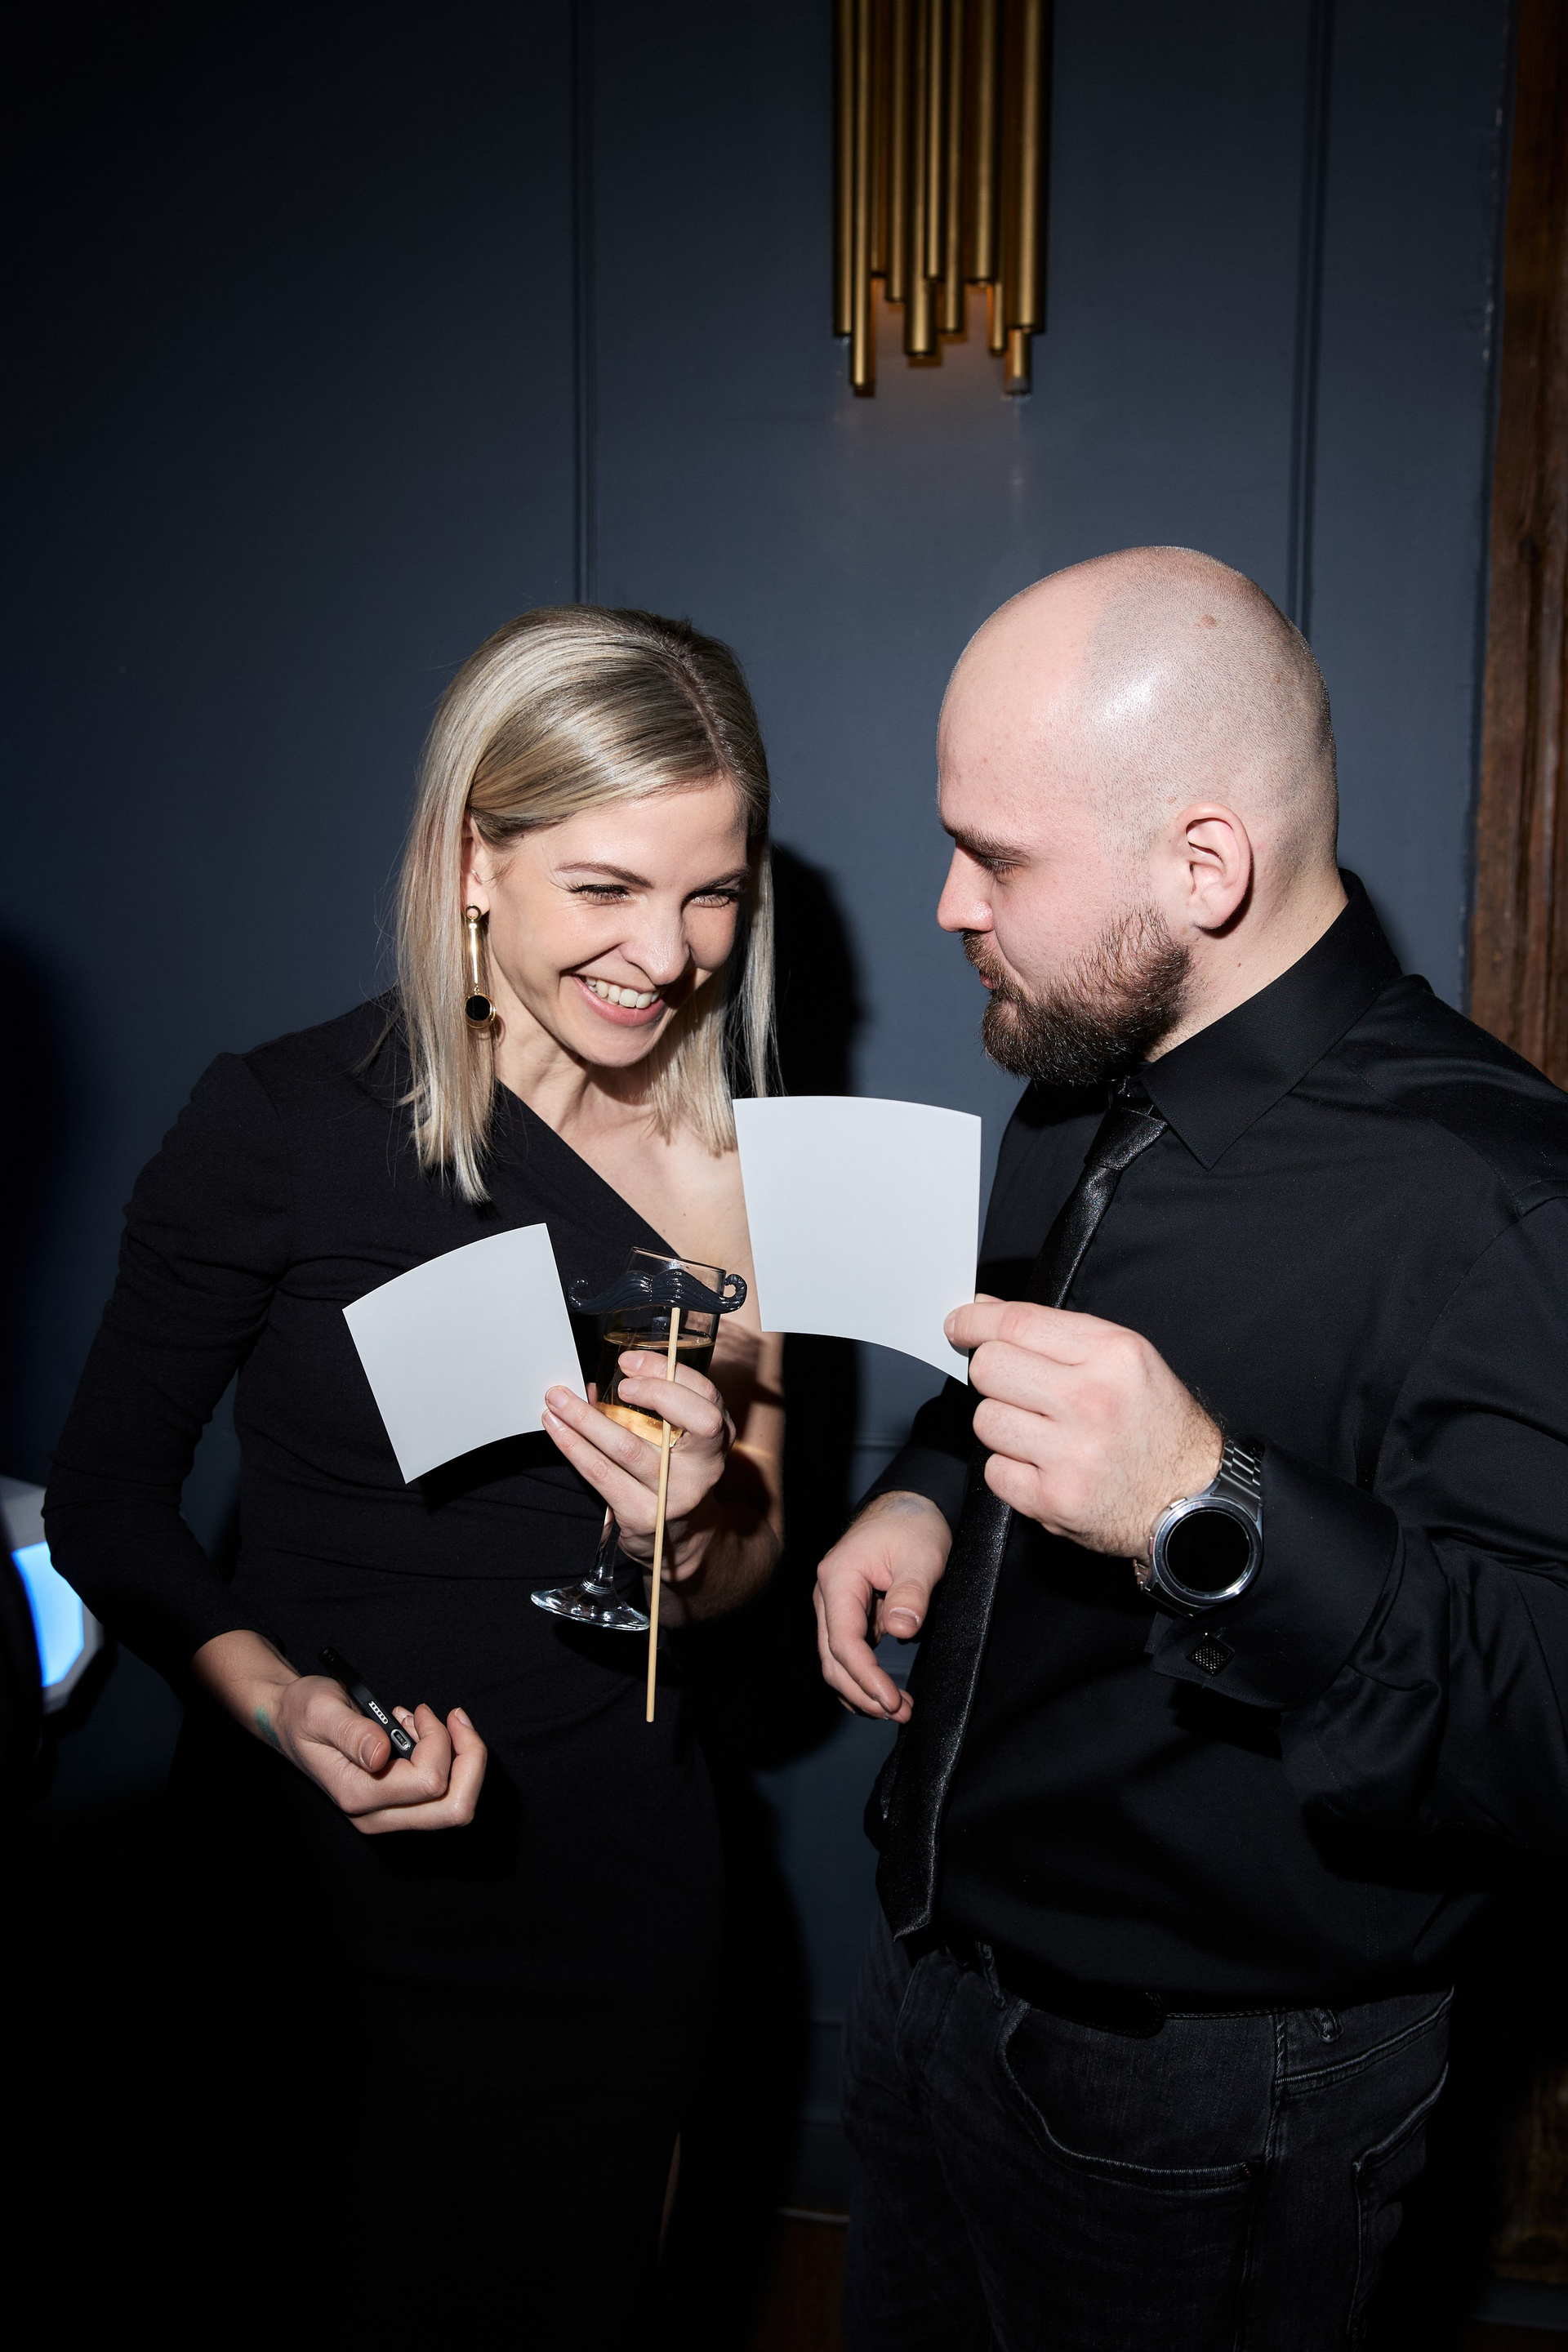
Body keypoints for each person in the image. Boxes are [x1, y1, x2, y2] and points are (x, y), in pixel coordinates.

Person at [814, 547, 1568, 2351]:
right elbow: (1007, 1369)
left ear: (1204, 865)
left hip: (1215, 2095)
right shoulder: (1080, 1069)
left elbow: (1545, 1729)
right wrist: (928, 1488)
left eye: (996, 857)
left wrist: (1200, 1502)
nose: (946, 902)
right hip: (929, 1980)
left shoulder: (1509, 1200)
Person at [45, 606, 785, 2344]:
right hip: (317, 1858)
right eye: (605, 888)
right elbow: (105, 1498)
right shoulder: (279, 1123)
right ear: (470, 861)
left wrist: (699, 1529)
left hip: (613, 1861)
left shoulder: (738, 1163)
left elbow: (745, 1569)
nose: (668, 954)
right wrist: (272, 1703)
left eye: (713, 893)